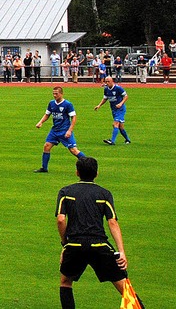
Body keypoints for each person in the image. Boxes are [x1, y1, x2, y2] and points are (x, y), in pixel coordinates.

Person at [56, 156, 143, 309]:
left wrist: (65, 244)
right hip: (99, 245)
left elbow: (61, 220)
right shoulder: (104, 194)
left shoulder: (65, 192)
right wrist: (121, 251)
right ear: (97, 173)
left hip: (74, 245)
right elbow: (112, 222)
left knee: (66, 282)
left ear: (77, 172)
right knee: (123, 285)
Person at [34, 86, 86, 173]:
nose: (54, 95)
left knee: (73, 150)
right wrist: (41, 122)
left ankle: (87, 164)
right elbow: (47, 114)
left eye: (56, 93)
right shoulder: (51, 103)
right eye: (53, 93)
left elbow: (73, 118)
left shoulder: (67, 104)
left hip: (64, 131)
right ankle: (44, 168)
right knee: (46, 146)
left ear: (61, 94)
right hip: (55, 130)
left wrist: (69, 130)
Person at [94, 77, 131, 145]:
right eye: (106, 81)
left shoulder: (118, 88)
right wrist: (99, 105)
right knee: (121, 127)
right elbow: (105, 98)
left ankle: (112, 141)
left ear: (112, 81)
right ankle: (127, 139)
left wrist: (121, 103)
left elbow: (126, 96)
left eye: (108, 81)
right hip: (114, 109)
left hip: (120, 109)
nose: (107, 83)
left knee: (115, 124)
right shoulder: (106, 89)